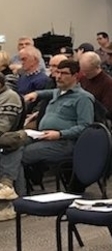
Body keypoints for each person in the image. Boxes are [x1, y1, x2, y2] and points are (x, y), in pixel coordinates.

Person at [0, 60, 95, 200]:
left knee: (18, 154)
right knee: (9, 144)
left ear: (76, 76)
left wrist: (60, 134)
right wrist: (36, 94)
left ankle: (17, 200)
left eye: (64, 73)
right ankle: (8, 190)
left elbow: (86, 127)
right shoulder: (58, 92)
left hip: (64, 143)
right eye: (57, 73)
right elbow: (48, 92)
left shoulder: (83, 98)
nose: (58, 77)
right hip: (41, 137)